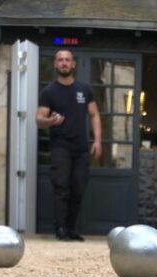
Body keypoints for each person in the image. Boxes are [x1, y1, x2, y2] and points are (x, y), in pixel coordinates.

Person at [36, 50, 102, 241]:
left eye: (67, 60)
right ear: (55, 65)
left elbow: (94, 114)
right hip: (60, 146)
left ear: (73, 64)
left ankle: (71, 229)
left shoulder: (84, 89)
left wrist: (97, 140)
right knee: (61, 187)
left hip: (81, 148)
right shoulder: (49, 92)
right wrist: (50, 122)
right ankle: (61, 229)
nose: (64, 63)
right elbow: (39, 119)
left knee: (78, 188)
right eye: (60, 60)